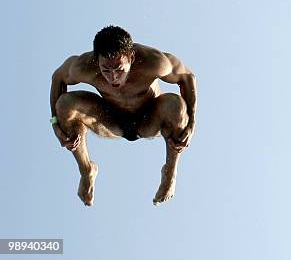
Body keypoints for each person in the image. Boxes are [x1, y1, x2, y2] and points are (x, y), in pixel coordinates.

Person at [49, 25, 197, 205]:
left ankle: (170, 173)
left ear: (132, 58)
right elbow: (58, 78)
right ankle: (86, 170)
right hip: (111, 119)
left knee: (176, 105)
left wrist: (191, 124)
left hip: (149, 118)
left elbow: (187, 77)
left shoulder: (154, 62)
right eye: (106, 70)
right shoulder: (83, 66)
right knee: (64, 104)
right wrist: (55, 124)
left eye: (119, 69)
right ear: (97, 61)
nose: (113, 78)